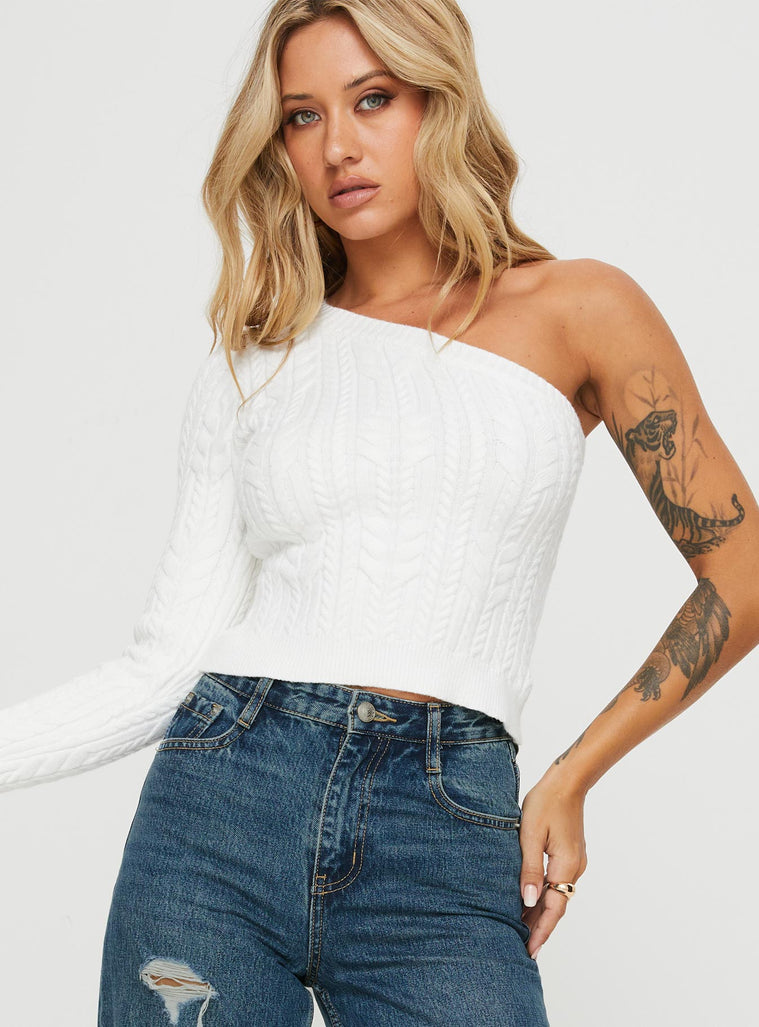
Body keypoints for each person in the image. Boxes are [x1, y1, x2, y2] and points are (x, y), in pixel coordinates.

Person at [2, 0, 758, 1024]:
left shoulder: (579, 308)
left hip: (447, 819)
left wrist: (573, 775)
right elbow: (163, 665)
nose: (338, 147)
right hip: (220, 810)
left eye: (373, 99)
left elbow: (743, 571)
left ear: (438, 104)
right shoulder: (256, 357)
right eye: (301, 116)